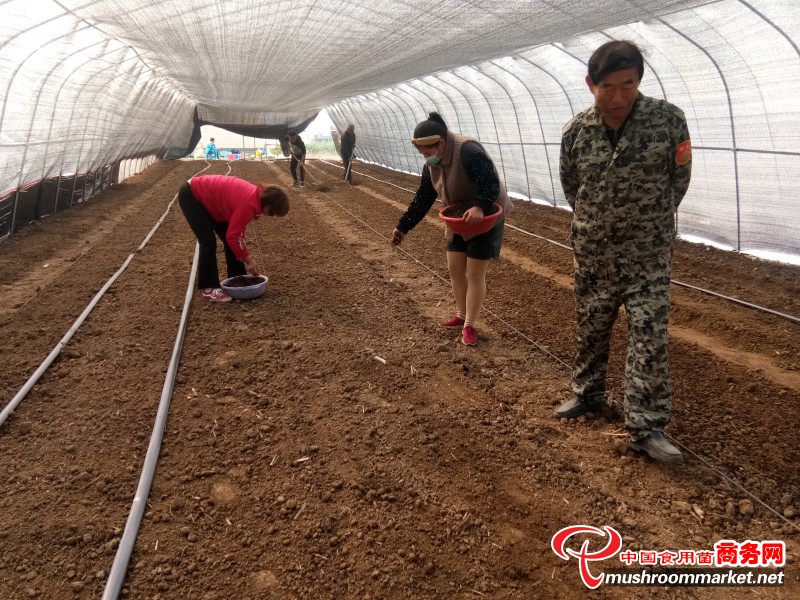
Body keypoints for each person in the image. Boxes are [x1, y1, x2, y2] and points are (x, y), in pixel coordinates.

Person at [554, 41, 692, 463]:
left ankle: (646, 426)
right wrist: (600, 225)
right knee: (591, 329)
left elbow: (679, 181)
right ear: (590, 84)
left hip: (648, 256)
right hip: (595, 253)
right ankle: (588, 393)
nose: (617, 97)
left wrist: (646, 225)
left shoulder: (668, 122)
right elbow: (572, 188)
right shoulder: (576, 132)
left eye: (628, 85)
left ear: (639, 81)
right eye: (607, 87)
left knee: (649, 336)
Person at [391, 112, 511, 346]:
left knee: (475, 273)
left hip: (486, 214)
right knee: (455, 268)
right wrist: (403, 226)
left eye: (428, 153)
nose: (426, 159)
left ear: (442, 143)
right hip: (458, 215)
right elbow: (424, 197)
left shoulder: (468, 150)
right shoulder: (431, 165)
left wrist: (479, 206)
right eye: (422, 155)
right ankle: (461, 314)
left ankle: (470, 325)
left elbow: (490, 181)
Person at [178, 175, 289, 302]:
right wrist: (248, 260)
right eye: (272, 212)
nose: (271, 216)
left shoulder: (255, 197)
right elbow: (234, 236)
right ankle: (209, 289)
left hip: (213, 202)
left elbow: (237, 232)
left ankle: (237, 277)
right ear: (268, 203)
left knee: (230, 238)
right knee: (208, 241)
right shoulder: (249, 203)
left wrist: (245, 256)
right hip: (193, 195)